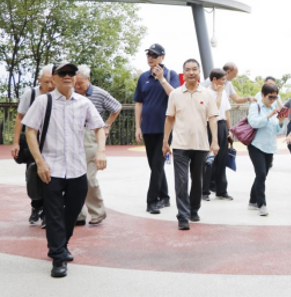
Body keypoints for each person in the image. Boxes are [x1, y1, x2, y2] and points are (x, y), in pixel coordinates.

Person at [22, 61, 107, 278]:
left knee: (73, 211)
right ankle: (58, 257)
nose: (68, 76)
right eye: (63, 73)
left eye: (71, 73)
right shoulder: (43, 102)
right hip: (51, 167)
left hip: (78, 168)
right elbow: (30, 131)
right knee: (54, 213)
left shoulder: (84, 103)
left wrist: (101, 152)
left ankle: (59, 244)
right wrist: (40, 162)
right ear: (55, 78)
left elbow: (99, 128)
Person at [162, 59, 220, 231]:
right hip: (180, 144)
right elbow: (169, 118)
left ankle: (194, 209)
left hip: (201, 145)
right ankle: (183, 216)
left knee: (197, 181)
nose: (191, 72)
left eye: (194, 69)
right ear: (183, 73)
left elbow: (212, 118)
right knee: (181, 181)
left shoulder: (207, 94)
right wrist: (165, 141)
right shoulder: (175, 94)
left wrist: (215, 141)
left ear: (199, 72)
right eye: (188, 70)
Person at [134, 43, 181, 215]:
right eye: (148, 55)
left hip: (165, 129)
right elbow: (138, 102)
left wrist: (162, 79)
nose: (150, 58)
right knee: (154, 166)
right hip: (147, 128)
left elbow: (175, 96)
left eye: (154, 55)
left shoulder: (171, 74)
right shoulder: (143, 77)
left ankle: (152, 201)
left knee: (158, 163)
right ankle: (165, 197)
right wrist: (137, 126)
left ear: (162, 57)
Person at [73, 65, 122, 226]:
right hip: (73, 135)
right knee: (73, 177)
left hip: (91, 135)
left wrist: (107, 125)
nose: (77, 86)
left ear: (88, 79)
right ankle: (78, 214)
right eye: (75, 83)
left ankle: (98, 211)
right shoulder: (70, 93)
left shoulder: (100, 94)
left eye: (80, 83)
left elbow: (117, 107)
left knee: (89, 177)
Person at [11, 64, 55, 228]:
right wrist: (15, 142)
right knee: (32, 174)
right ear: (39, 81)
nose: (50, 86)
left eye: (53, 82)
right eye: (46, 82)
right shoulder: (31, 94)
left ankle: (45, 210)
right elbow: (19, 118)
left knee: (51, 175)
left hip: (51, 142)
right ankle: (36, 205)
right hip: (32, 141)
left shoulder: (58, 95)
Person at [247, 83, 286, 217]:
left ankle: (252, 200)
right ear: (263, 94)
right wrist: (269, 115)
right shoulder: (255, 107)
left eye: (275, 97)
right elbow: (254, 123)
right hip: (256, 145)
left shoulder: (275, 108)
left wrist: (280, 122)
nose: (273, 100)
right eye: (270, 97)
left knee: (261, 175)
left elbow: (278, 130)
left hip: (270, 146)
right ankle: (261, 204)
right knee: (261, 174)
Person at [201, 68, 233, 202]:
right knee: (209, 160)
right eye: (223, 79)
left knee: (222, 159)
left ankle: (221, 191)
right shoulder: (206, 92)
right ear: (214, 80)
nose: (225, 82)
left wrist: (229, 130)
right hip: (209, 126)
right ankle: (204, 191)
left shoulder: (224, 92)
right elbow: (214, 109)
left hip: (222, 126)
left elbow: (226, 112)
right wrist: (219, 93)